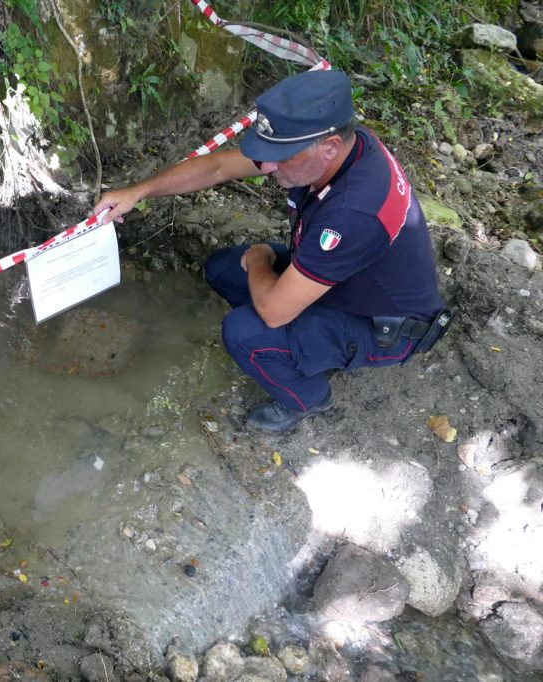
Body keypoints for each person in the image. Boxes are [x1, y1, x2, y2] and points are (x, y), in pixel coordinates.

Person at [92, 69, 445, 433]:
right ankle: (297, 348)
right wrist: (139, 192)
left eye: (280, 157)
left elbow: (274, 312)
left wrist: (260, 258)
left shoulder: (353, 214)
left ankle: (309, 396)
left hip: (383, 325)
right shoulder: (341, 143)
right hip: (345, 281)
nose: (267, 167)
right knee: (224, 269)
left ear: (329, 147)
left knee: (243, 332)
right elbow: (219, 166)